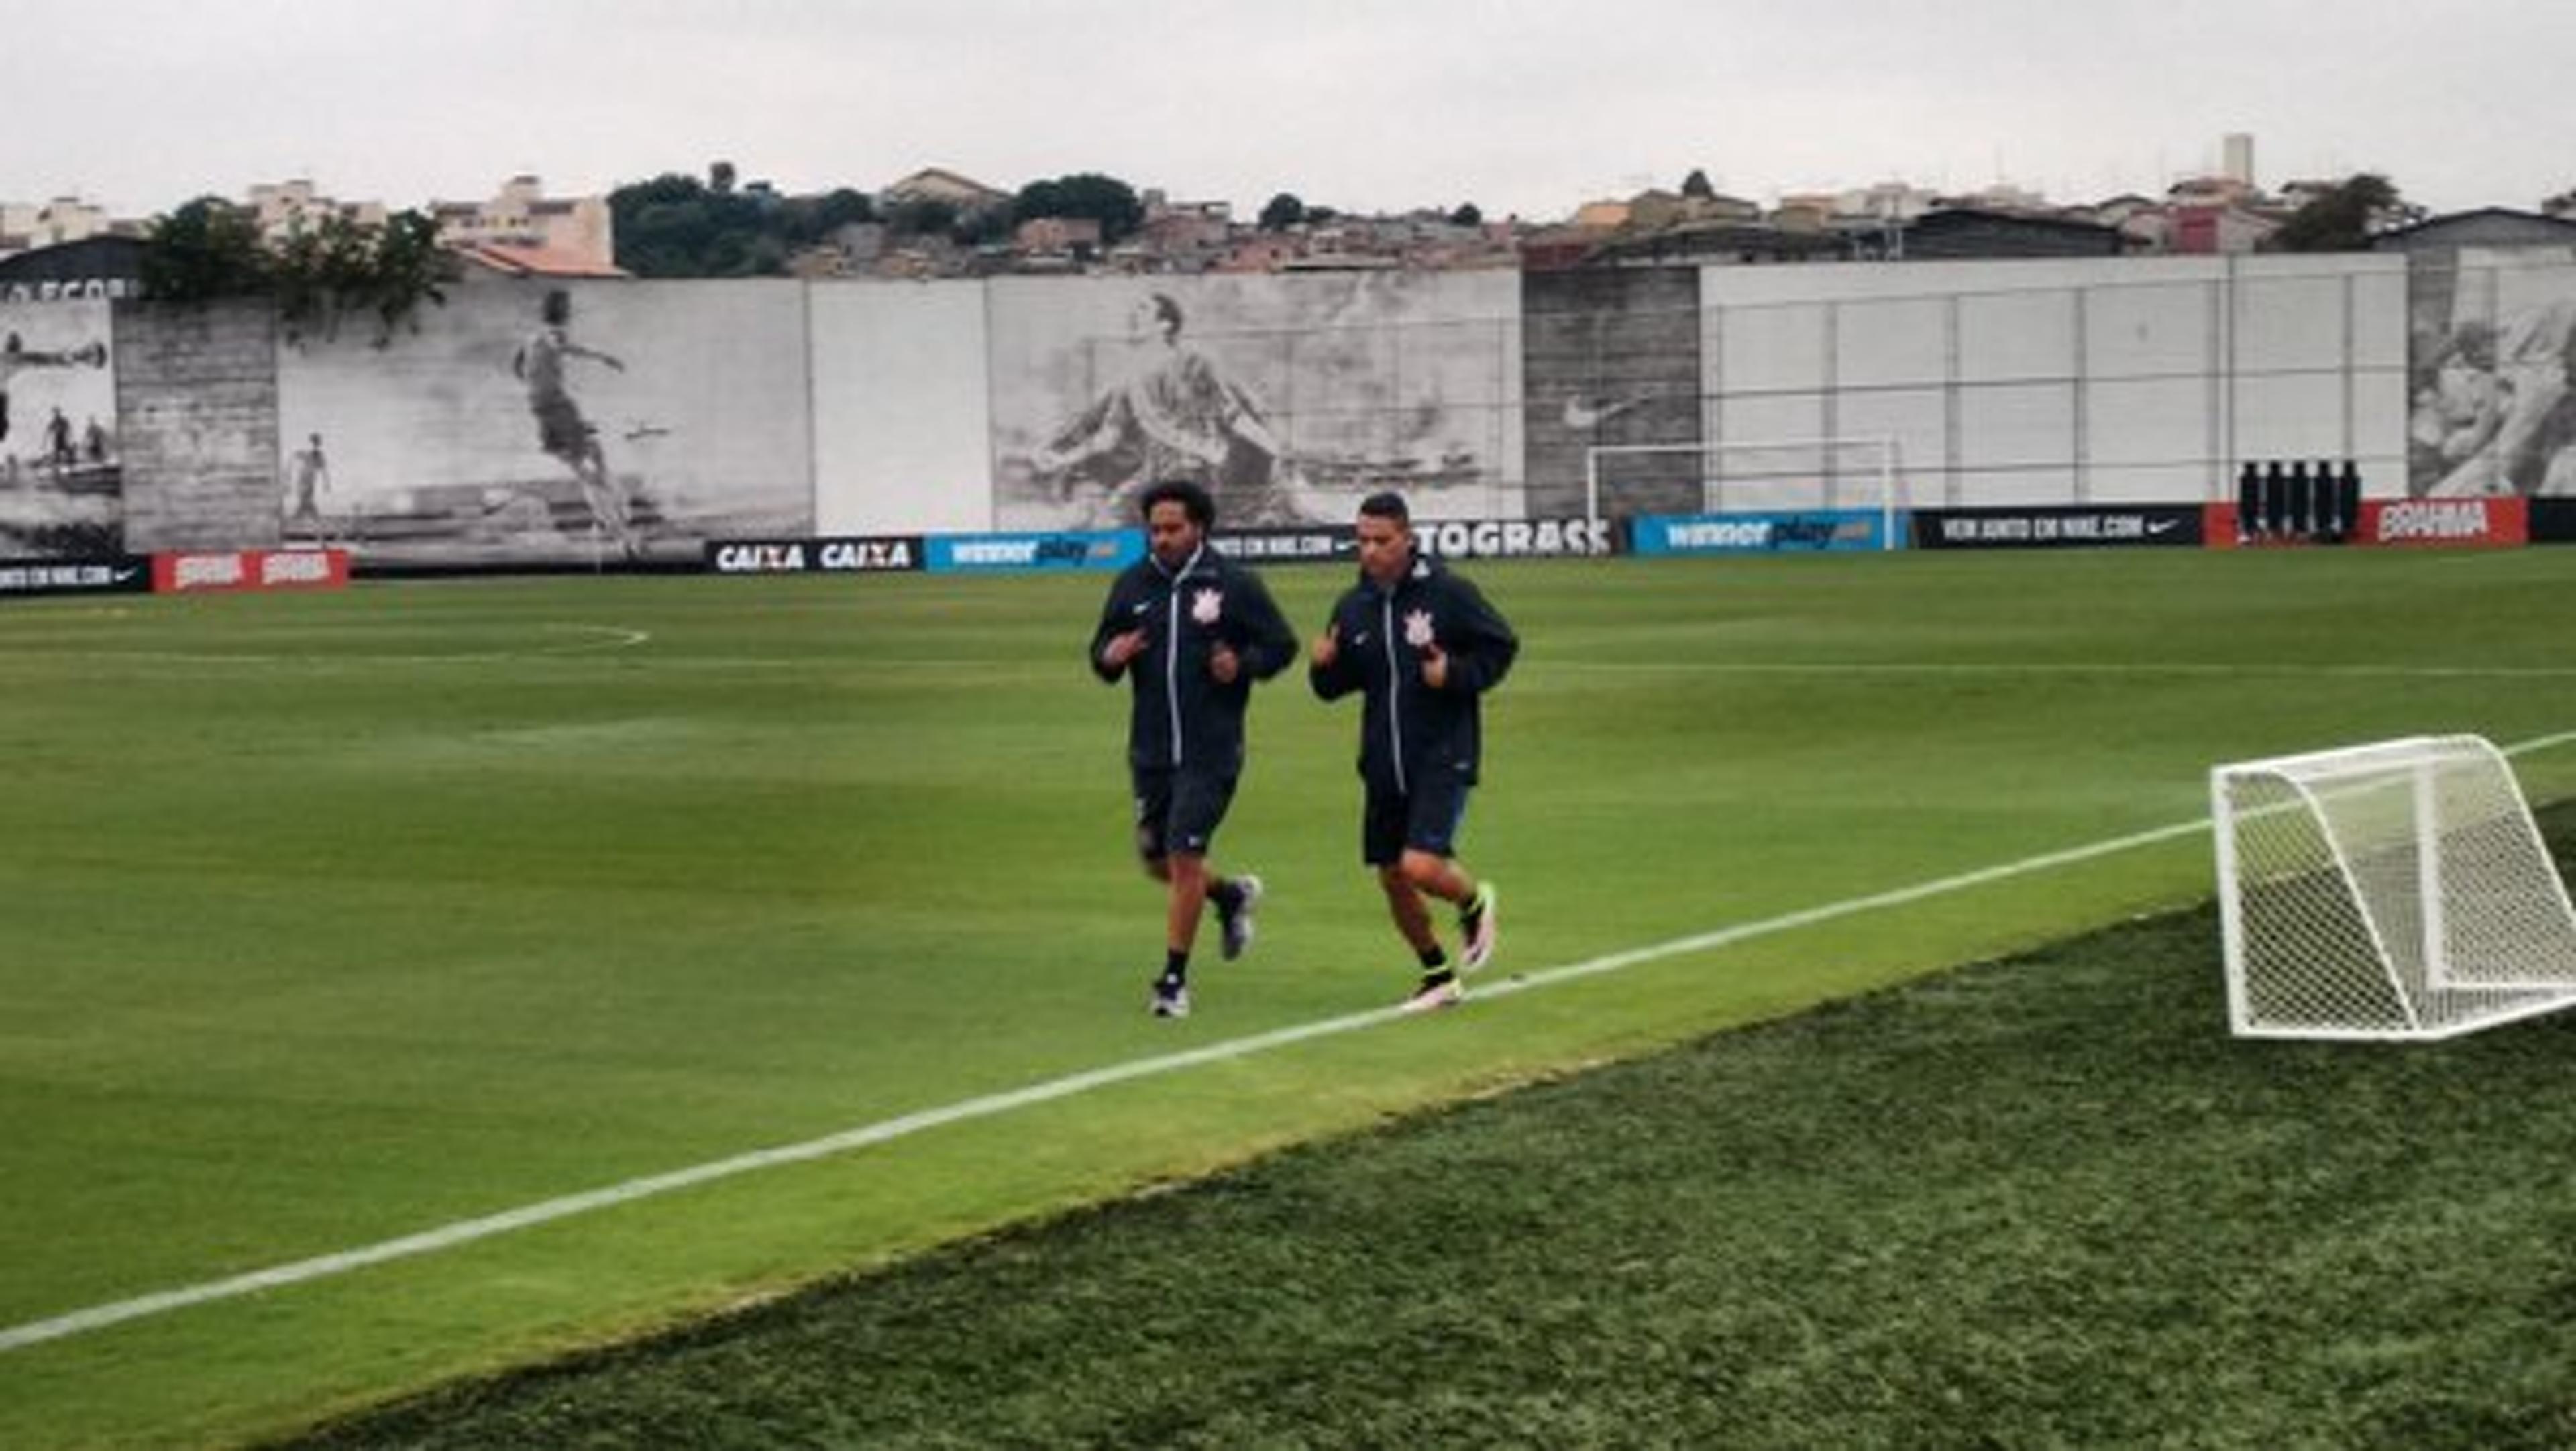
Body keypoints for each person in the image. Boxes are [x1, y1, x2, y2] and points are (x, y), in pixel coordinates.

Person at [1089, 477, 1297, 1018]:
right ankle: (1229, 897)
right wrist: (1111, 656)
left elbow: (1281, 645)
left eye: (1172, 528)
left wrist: (1242, 665)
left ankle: (1172, 983)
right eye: (1154, 529)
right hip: (1152, 751)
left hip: (1211, 749)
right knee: (1156, 861)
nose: (1161, 538)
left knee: (1184, 857)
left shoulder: (1233, 583)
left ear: (1199, 527)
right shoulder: (1132, 584)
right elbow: (1102, 653)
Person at [1308, 490, 1518, 1012]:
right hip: (1382, 762)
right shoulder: (1352, 606)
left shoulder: (1448, 593)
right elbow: (1334, 688)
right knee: (1392, 876)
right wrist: (1324, 665)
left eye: (1382, 540)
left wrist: (1456, 674)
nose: (1371, 550)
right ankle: (1437, 975)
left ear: (1408, 538)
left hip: (1443, 753)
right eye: (1363, 540)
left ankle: (1474, 901)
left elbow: (1501, 645)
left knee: (1422, 866)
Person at [1036, 292, 1313, 529]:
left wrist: (1277, 448)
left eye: (1143, 309)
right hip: (1154, 474)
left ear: (1165, 325)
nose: (1133, 315)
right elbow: (1109, 436)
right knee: (1114, 522)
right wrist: (1063, 459)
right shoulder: (1128, 378)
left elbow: (1233, 415)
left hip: (1194, 471)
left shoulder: (1196, 363)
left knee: (1175, 533)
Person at [511, 288, 637, 559]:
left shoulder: (529, 337)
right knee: (595, 462)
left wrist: (536, 384)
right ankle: (619, 517)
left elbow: (517, 366)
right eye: (569, 309)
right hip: (557, 406)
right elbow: (563, 346)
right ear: (564, 313)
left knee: (583, 465)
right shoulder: (553, 334)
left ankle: (609, 518)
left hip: (538, 409)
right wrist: (605, 357)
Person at [284, 432, 331, 541]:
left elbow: (324, 470)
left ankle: (290, 527)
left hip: (310, 486)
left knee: (303, 511)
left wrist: (326, 483)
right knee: (309, 510)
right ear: (310, 443)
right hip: (302, 485)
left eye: (317, 443)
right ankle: (321, 538)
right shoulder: (303, 453)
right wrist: (288, 482)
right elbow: (290, 462)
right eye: (314, 443)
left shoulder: (319, 455)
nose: (316, 445)